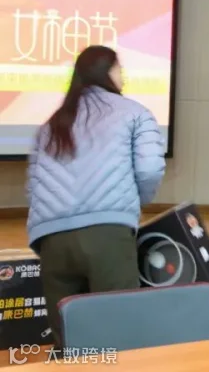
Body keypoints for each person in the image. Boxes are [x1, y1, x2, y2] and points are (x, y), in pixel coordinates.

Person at [25, 45, 166, 345]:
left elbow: (33, 185)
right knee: (118, 334)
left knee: (69, 337)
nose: (123, 76)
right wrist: (131, 205)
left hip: (53, 241)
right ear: (108, 73)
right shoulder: (134, 113)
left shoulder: (52, 123)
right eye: (120, 70)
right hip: (107, 235)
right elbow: (150, 169)